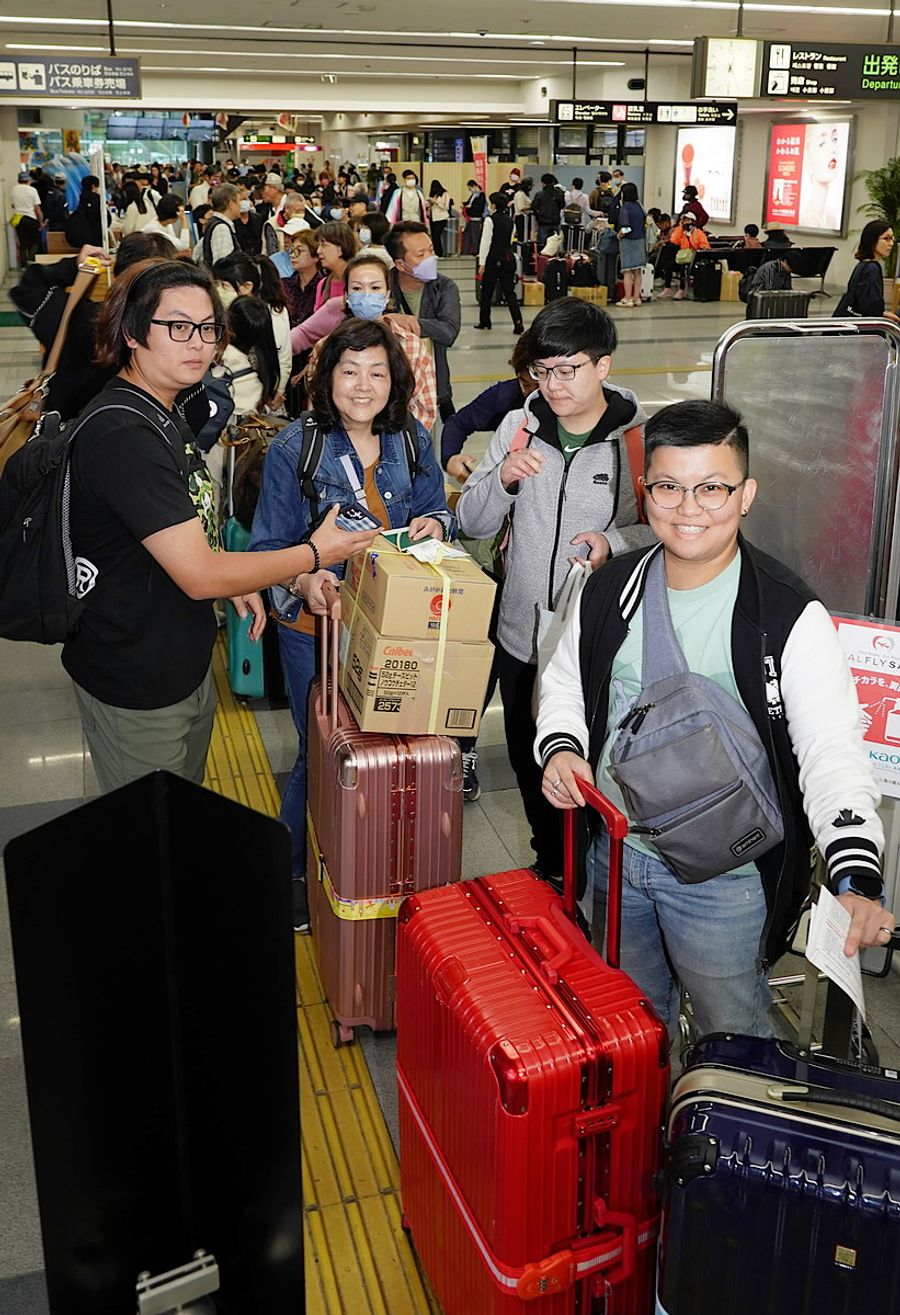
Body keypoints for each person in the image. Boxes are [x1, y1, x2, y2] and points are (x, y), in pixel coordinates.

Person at [536, 398, 890, 1039]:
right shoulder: (607, 591)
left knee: (733, 1040)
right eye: (669, 487)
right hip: (616, 857)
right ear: (645, 493)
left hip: (725, 880)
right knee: (631, 1028)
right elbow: (562, 683)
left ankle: (726, 1132)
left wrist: (856, 873)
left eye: (712, 488)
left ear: (746, 493)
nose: (689, 508)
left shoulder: (785, 616)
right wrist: (561, 748)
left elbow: (831, 751)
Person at [63, 258, 379, 799]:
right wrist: (312, 552)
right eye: (178, 326)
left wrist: (242, 579)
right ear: (133, 333)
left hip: (179, 658)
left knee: (183, 815)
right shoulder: (122, 433)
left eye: (208, 328)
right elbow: (200, 574)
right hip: (136, 679)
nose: (199, 343)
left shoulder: (163, 410)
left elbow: (188, 537)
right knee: (152, 839)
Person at [249, 317, 453, 929]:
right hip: (316, 633)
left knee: (392, 748)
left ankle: (372, 869)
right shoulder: (295, 447)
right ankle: (288, 872)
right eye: (348, 371)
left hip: (393, 630)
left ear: (396, 381)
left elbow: (436, 507)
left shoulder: (412, 440)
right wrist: (304, 579)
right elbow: (267, 550)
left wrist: (436, 525)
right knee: (323, 755)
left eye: (377, 373)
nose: (363, 386)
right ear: (326, 376)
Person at [457, 297, 654, 879]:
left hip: (595, 642)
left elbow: (664, 528)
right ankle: (552, 865)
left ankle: (589, 870)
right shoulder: (519, 425)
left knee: (588, 762)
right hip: (521, 632)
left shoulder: (635, 441)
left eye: (567, 370)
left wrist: (612, 543)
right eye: (542, 372)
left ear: (603, 366)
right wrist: (503, 481)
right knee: (527, 758)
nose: (553, 385)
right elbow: (472, 521)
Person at [11, 232, 176, 420]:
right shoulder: (172, 334)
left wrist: (75, 266)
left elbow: (27, 288)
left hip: (64, 433)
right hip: (137, 438)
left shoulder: (78, 316)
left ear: (117, 270)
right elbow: (197, 411)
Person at [289, 251, 438, 432]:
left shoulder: (412, 348)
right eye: (357, 288)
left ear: (387, 294)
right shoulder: (325, 348)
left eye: (375, 288)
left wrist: (396, 449)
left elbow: (423, 412)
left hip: (399, 449)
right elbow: (319, 409)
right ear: (346, 297)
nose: (366, 295)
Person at [386, 221, 461, 422]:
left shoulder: (445, 287)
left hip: (435, 388)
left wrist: (406, 322)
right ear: (400, 264)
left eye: (431, 250)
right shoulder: (382, 286)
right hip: (390, 390)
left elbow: (448, 331)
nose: (430, 258)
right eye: (420, 255)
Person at [441, 336, 537, 479]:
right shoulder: (506, 395)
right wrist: (450, 458)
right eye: (526, 385)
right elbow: (458, 423)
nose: (535, 393)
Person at [212, 251, 292, 396]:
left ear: (247, 287)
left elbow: (283, 357)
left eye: (224, 285)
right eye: (216, 283)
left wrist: (278, 390)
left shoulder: (271, 312)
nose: (218, 290)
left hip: (260, 392)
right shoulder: (219, 310)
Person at [476, 192, 524, 336]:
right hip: (508, 260)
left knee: (487, 292)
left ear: (494, 205)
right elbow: (509, 241)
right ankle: (518, 322)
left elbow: (486, 242)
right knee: (510, 293)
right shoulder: (511, 221)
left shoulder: (490, 220)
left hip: (492, 260)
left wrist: (482, 263)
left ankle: (485, 321)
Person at [836, 220, 898, 322]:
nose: (891, 243)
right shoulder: (872, 269)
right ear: (872, 240)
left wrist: (882, 313)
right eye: (886, 239)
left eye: (892, 238)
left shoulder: (863, 265)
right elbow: (871, 307)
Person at [657, 212, 710, 299]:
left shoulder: (699, 233)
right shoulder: (681, 233)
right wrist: (680, 228)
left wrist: (695, 250)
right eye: (684, 220)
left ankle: (682, 290)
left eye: (688, 220)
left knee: (684, 268)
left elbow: (705, 246)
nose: (686, 223)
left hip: (693, 259)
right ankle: (667, 289)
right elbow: (674, 240)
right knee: (669, 265)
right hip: (682, 257)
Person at [314, 220, 359, 311]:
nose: (318, 251)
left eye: (324, 245)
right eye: (318, 245)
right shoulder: (323, 284)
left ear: (341, 248)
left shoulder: (359, 282)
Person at [616, 182, 647, 309]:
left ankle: (627, 298)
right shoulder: (640, 206)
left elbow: (626, 228)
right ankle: (636, 297)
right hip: (640, 241)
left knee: (627, 272)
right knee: (638, 271)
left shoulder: (625, 208)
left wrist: (618, 235)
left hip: (628, 242)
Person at [282, 230, 323, 326]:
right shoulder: (284, 284)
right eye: (292, 250)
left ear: (316, 256)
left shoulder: (324, 286)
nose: (292, 255)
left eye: (299, 251)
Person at [10, 171, 43, 267]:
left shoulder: (14, 189)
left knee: (23, 242)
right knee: (35, 241)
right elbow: (37, 208)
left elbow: (13, 205)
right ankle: (31, 260)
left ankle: (23, 265)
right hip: (31, 218)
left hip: (19, 219)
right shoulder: (32, 190)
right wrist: (41, 221)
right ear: (28, 180)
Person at [532, 174, 565, 250]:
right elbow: (562, 205)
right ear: (553, 182)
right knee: (555, 244)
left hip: (543, 222)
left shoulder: (539, 194)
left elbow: (534, 207)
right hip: (555, 221)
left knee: (542, 245)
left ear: (542, 183)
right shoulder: (559, 193)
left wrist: (538, 216)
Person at [427, 180, 452, 257]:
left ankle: (439, 253)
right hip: (433, 218)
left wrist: (436, 202)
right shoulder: (433, 195)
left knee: (437, 236)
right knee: (433, 236)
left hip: (441, 218)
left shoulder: (445, 194)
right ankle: (435, 252)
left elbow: (446, 207)